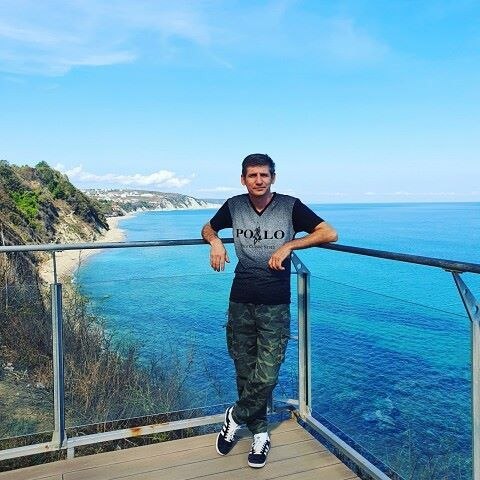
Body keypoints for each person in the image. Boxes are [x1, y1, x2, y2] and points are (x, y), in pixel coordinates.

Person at [201, 153, 338, 468]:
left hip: (275, 303)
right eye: (252, 175)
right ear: (243, 179)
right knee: (244, 369)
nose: (259, 180)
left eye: (264, 175)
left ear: (273, 177)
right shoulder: (234, 206)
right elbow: (208, 228)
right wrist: (216, 242)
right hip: (240, 299)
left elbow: (329, 233)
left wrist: (289, 245)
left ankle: (235, 416)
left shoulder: (290, 206)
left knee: (267, 373)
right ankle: (260, 434)